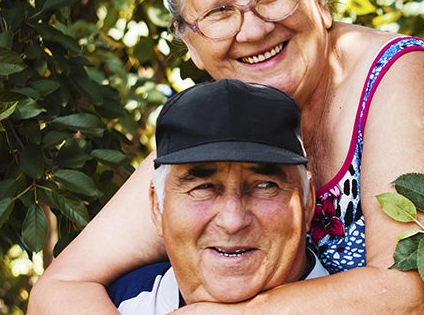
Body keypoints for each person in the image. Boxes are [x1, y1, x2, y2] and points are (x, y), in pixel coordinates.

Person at [28, 0, 424, 313]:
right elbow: (60, 288)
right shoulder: (217, 131)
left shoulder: (398, 78)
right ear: (189, 43)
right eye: (218, 13)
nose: (253, 28)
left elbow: (412, 297)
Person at [107, 79, 329, 314]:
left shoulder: (363, 303)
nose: (232, 222)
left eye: (265, 186)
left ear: (307, 202)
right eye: (202, 188)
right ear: (156, 207)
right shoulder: (115, 302)